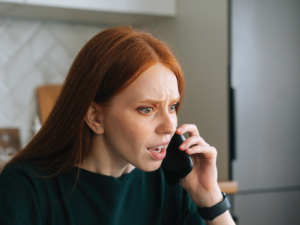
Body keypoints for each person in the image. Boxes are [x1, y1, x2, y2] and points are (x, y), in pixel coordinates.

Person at [0, 26, 235, 225]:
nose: (169, 126)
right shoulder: (25, 187)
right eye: (147, 109)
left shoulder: (173, 184)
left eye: (172, 106)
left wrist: (209, 196)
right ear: (95, 117)